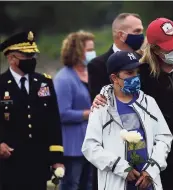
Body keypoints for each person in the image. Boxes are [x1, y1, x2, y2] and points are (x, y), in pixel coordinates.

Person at [92, 18, 173, 190]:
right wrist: (102, 96)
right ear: (154, 49)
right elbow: (120, 89)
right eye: (169, 47)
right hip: (160, 156)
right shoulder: (144, 71)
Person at [82, 51, 173, 190]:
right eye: (129, 73)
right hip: (116, 182)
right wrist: (121, 168)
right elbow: (90, 147)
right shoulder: (101, 106)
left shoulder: (149, 103)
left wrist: (151, 170)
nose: (135, 77)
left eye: (137, 72)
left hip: (148, 182)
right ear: (114, 78)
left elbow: (164, 138)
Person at [0, 31, 64, 190]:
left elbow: (52, 120)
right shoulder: (1, 84)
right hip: (9, 161)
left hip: (38, 160)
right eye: (26, 57)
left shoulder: (43, 83)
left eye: (33, 56)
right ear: (11, 58)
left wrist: (57, 158)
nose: (31, 60)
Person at [53, 30, 94, 190]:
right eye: (89, 50)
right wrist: (88, 114)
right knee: (72, 185)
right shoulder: (63, 79)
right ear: (76, 51)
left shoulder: (90, 74)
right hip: (72, 146)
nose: (93, 53)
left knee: (89, 185)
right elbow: (62, 113)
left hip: (90, 144)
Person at [87, 12, 145, 101]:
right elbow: (99, 102)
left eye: (141, 31)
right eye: (137, 31)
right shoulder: (97, 65)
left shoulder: (143, 60)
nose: (141, 35)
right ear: (121, 35)